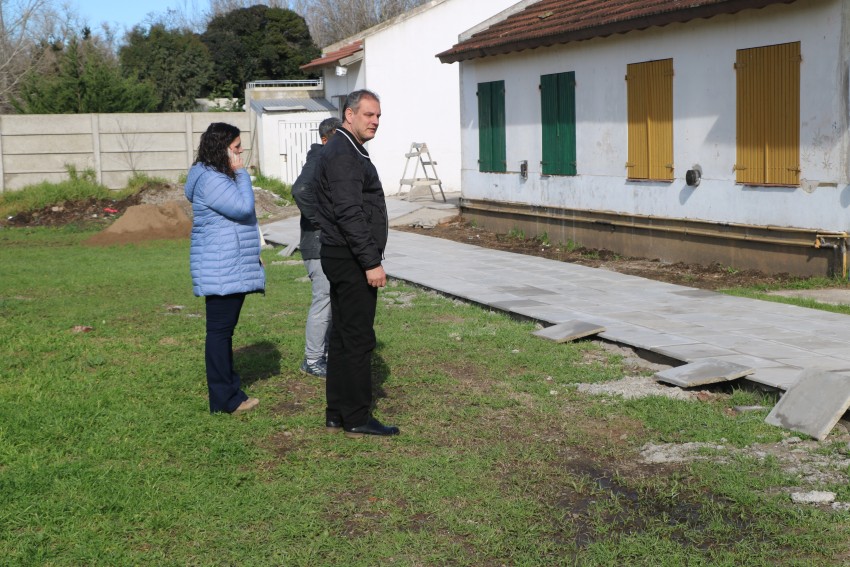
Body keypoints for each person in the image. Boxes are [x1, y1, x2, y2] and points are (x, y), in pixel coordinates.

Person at [315, 90, 399, 438]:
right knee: (358, 337)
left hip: (342, 254)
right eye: (368, 115)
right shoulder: (344, 153)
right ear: (349, 115)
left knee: (343, 335)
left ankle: (337, 411)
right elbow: (349, 212)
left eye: (378, 116)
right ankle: (356, 416)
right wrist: (370, 262)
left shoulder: (344, 148)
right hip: (350, 258)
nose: (375, 121)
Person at [185, 122, 265, 415]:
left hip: (226, 263)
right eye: (236, 148)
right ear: (222, 148)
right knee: (219, 332)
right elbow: (243, 209)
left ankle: (230, 392)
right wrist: (242, 173)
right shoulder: (212, 179)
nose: (240, 153)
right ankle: (224, 399)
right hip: (221, 266)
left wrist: (251, 254)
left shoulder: (211, 175)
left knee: (223, 332)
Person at [291, 117, 342, 378]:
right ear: (326, 139)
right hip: (317, 245)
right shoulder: (319, 157)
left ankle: (326, 354)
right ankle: (312, 360)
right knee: (323, 299)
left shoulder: (330, 160)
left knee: (332, 300)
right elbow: (300, 190)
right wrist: (322, 222)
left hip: (329, 244)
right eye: (340, 136)